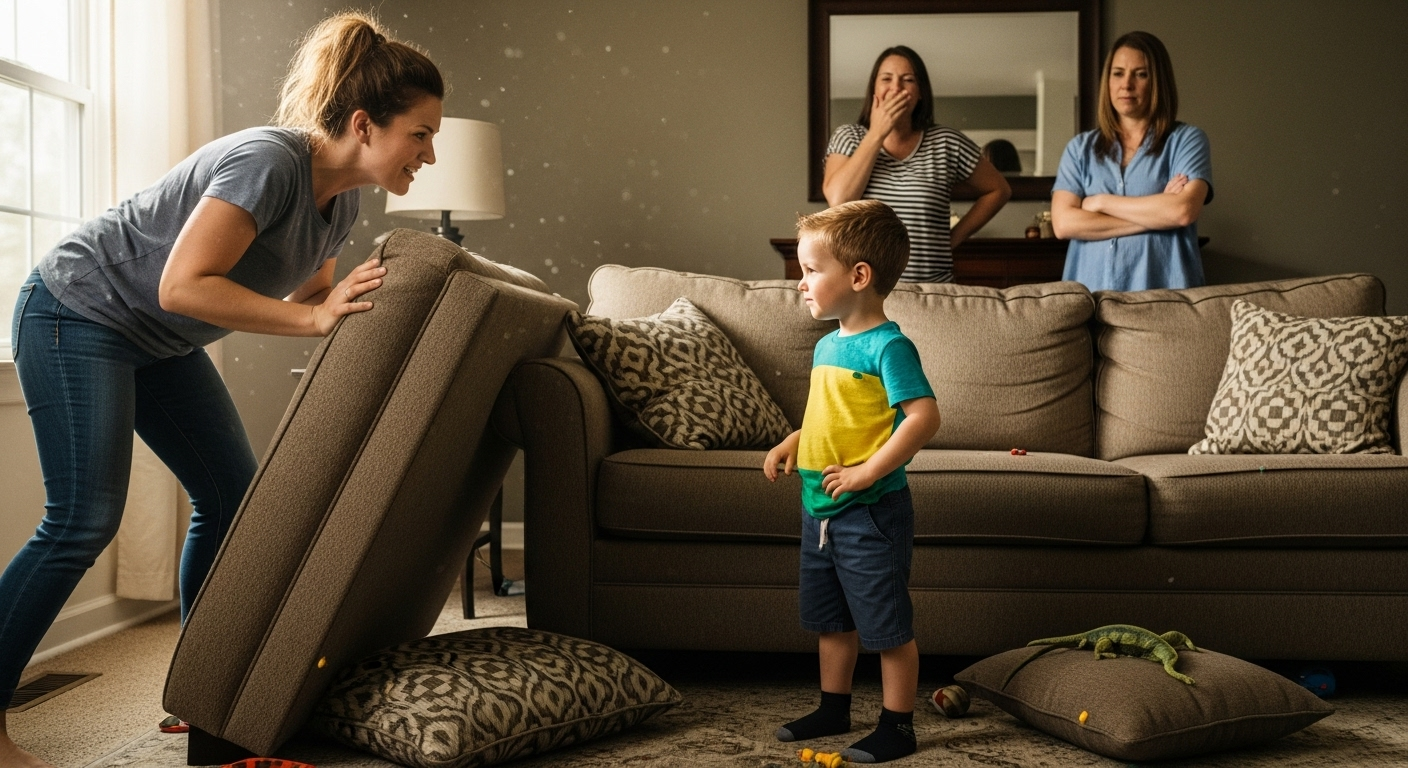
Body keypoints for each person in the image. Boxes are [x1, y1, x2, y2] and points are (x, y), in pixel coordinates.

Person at [0, 11, 442, 767]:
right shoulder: (268, 163)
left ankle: (205, 693)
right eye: (421, 134)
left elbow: (314, 303)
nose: (429, 155)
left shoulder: (346, 203)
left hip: (155, 340)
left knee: (232, 496)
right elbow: (182, 285)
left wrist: (366, 309)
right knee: (82, 519)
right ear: (365, 125)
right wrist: (313, 323)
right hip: (78, 310)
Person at [764, 200, 941, 764]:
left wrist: (868, 471)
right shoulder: (826, 345)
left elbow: (923, 416)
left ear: (858, 276)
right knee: (830, 619)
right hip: (819, 508)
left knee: (885, 624)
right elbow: (829, 415)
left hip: (870, 511)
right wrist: (796, 440)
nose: (801, 283)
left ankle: (898, 725)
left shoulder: (890, 346)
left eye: (812, 270)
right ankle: (833, 707)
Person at [824, 45, 1011, 284]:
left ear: (920, 91)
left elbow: (999, 190)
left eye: (907, 80)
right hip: (867, 294)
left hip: (934, 289)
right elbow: (838, 200)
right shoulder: (848, 137)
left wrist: (953, 238)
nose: (896, 88)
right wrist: (877, 133)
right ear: (874, 89)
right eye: (886, 79)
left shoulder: (946, 142)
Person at [1051, 30, 1213, 291]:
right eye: (1118, 73)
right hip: (1089, 302)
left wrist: (1099, 202)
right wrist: (1156, 215)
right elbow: (1063, 223)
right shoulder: (1079, 149)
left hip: (1165, 299)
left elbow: (1182, 211)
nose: (1126, 84)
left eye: (1141, 74)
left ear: (1158, 81)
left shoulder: (1187, 140)